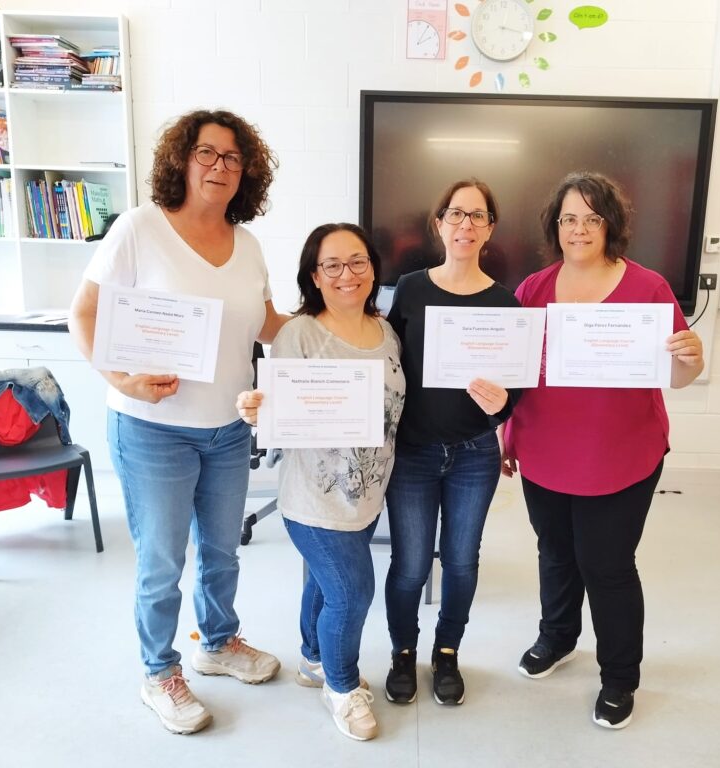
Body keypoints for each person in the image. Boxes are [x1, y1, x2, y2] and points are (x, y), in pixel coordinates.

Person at [68, 109, 287, 735]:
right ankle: (159, 671)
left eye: (233, 158)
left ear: (247, 172)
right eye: (207, 153)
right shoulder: (140, 228)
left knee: (221, 552)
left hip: (228, 429)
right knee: (162, 562)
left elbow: (267, 324)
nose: (220, 166)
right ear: (182, 160)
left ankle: (217, 643)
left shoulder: (248, 245)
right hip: (151, 429)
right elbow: (83, 314)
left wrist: (333, 318)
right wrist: (121, 379)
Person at [502, 171, 704, 730]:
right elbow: (516, 374)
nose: (579, 229)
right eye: (569, 218)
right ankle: (558, 637)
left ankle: (619, 677)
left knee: (607, 566)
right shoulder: (533, 289)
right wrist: (507, 437)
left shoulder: (648, 288)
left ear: (610, 224)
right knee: (555, 552)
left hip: (621, 455)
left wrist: (692, 359)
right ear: (555, 226)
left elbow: (677, 376)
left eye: (592, 218)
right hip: (544, 451)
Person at [236, 223, 405, 742]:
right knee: (352, 593)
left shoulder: (386, 331)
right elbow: (276, 411)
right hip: (313, 501)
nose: (346, 274)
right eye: (331, 265)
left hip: (367, 495)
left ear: (372, 268)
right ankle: (342, 685)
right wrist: (256, 410)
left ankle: (313, 659)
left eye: (357, 262)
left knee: (322, 583)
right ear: (314, 275)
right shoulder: (300, 334)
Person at [382, 179, 519, 706]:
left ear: (490, 228)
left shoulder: (504, 303)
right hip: (413, 453)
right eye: (456, 214)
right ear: (438, 223)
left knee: (461, 562)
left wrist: (502, 404)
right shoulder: (410, 288)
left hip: (474, 454)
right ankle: (402, 652)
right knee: (411, 565)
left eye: (478, 215)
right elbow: (387, 363)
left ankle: (446, 652)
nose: (466, 224)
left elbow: (514, 390)